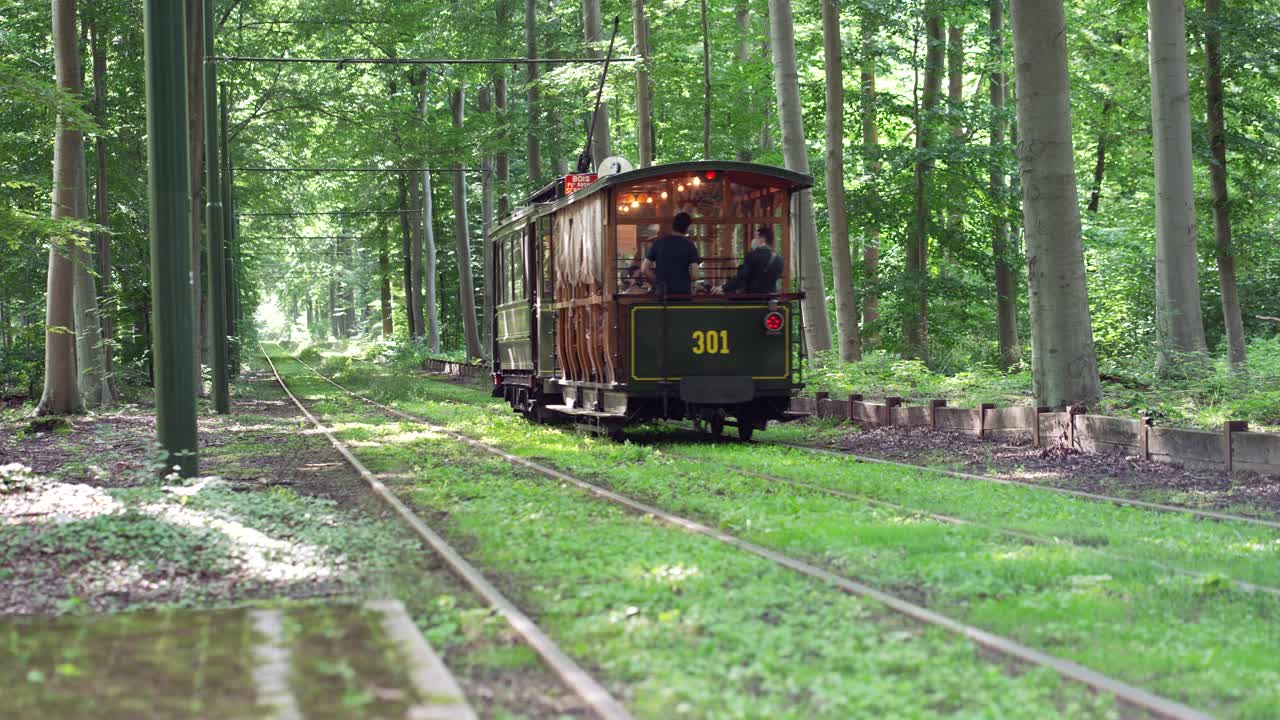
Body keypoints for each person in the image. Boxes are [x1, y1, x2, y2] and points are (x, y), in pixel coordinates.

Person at [641, 212, 702, 296]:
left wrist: (658, 280)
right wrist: (683, 281)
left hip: (662, 293)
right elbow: (695, 275)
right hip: (682, 293)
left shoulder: (658, 242)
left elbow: (644, 269)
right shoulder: (689, 245)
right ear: (687, 228)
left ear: (673, 225)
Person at [720, 226, 784, 294]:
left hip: (753, 298)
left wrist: (723, 287)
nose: (753, 240)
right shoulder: (779, 259)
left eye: (756, 237)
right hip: (771, 298)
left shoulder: (752, 256)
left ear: (762, 239)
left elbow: (741, 278)